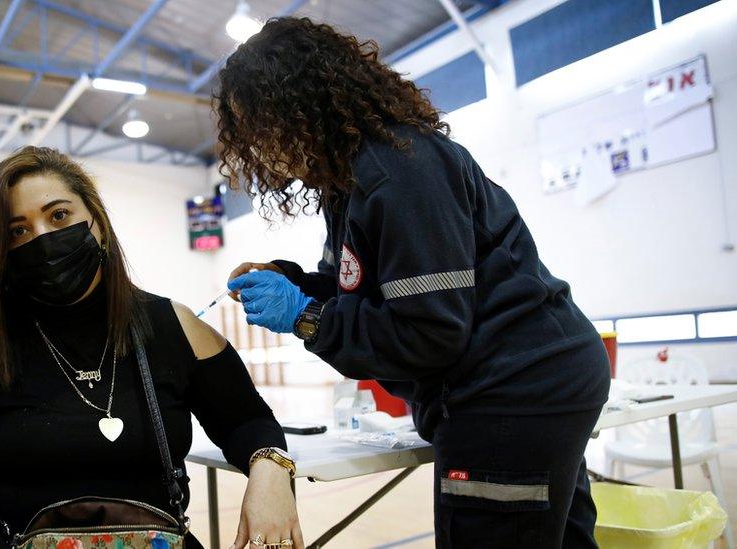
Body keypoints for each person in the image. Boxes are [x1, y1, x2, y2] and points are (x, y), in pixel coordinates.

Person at [216, 17, 611, 549]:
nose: (260, 149)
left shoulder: (400, 169)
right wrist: (291, 281)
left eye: (260, 126)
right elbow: (358, 290)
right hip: (530, 382)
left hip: (513, 391)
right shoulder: (352, 184)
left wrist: (305, 316)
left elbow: (429, 331)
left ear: (299, 106)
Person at [0, 146, 303, 549]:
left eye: (59, 215)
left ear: (96, 220)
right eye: (17, 230)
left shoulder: (173, 325)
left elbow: (246, 421)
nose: (43, 238)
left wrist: (270, 468)